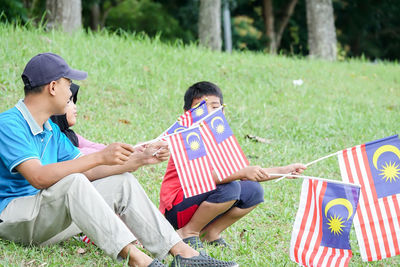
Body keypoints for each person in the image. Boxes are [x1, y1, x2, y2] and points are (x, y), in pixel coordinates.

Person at [0, 53, 238, 267]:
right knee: (74, 182)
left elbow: (89, 171)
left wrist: (139, 160)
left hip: (44, 218)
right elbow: (39, 177)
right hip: (16, 220)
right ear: (53, 87)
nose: (70, 91)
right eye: (68, 84)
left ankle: (183, 254)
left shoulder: (51, 129)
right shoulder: (10, 124)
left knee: (121, 180)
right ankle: (139, 260)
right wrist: (100, 157)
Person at [159, 81, 307, 249]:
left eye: (214, 107)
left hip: (199, 203)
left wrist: (283, 170)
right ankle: (187, 233)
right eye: (200, 109)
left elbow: (246, 173)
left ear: (222, 111)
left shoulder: (220, 141)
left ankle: (210, 233)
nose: (208, 113)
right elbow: (203, 178)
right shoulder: (187, 139)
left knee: (253, 190)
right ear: (187, 114)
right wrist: (242, 173)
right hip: (177, 209)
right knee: (230, 188)